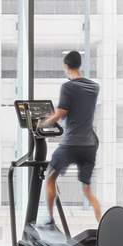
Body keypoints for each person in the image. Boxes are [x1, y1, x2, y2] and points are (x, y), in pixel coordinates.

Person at [40, 49, 102, 228]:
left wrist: (42, 124)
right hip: (89, 145)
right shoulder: (94, 87)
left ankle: (49, 220)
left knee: (50, 177)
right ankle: (104, 224)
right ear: (79, 64)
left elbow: (60, 113)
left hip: (71, 143)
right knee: (87, 189)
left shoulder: (68, 87)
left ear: (66, 66)